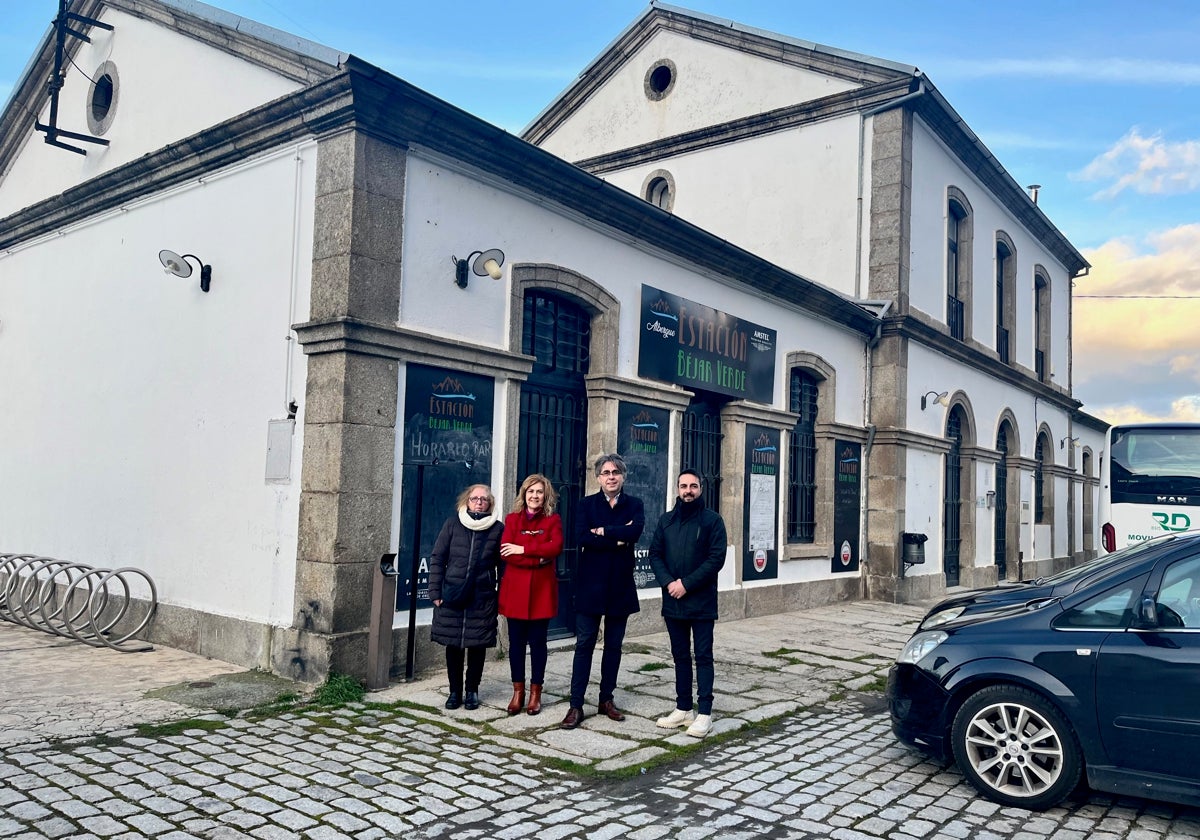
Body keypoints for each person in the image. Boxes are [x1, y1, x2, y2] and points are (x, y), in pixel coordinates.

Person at [560, 454, 645, 729]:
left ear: (623, 477)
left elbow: (635, 534)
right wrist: (617, 537)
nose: (611, 476)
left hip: (620, 585)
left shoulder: (635, 504)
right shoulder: (586, 505)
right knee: (584, 644)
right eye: (606, 472)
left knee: (614, 646)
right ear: (598, 477)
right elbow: (581, 537)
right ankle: (576, 704)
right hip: (590, 585)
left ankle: (606, 699)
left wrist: (604, 531)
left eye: (616, 472)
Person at [649, 469, 728, 738]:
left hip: (701, 602)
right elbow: (655, 554)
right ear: (678, 489)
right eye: (683, 486)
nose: (688, 491)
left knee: (703, 656)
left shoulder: (713, 521)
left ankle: (704, 712)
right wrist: (669, 582)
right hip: (673, 600)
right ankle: (683, 708)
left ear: (701, 489)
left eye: (693, 486)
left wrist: (686, 584)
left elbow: (716, 559)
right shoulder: (666, 521)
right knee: (680, 655)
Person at [429, 483, 504, 711]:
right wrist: (435, 592)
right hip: (452, 595)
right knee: (453, 646)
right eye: (475, 498)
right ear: (466, 501)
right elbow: (437, 557)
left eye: (484, 499)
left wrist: (499, 596)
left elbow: (504, 566)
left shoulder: (497, 529)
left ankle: (472, 690)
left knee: (477, 646)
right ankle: (454, 691)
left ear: (490, 504)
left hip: (482, 598)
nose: (479, 502)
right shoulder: (453, 524)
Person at [498, 474, 563, 716]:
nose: (534, 496)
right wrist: (539, 559)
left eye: (539, 492)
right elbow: (506, 552)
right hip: (515, 591)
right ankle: (518, 692)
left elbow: (555, 547)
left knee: (538, 644)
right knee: (516, 644)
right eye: (530, 491)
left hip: (541, 592)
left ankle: (536, 693)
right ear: (523, 494)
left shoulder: (553, 520)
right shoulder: (512, 520)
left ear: (545, 496)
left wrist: (524, 548)